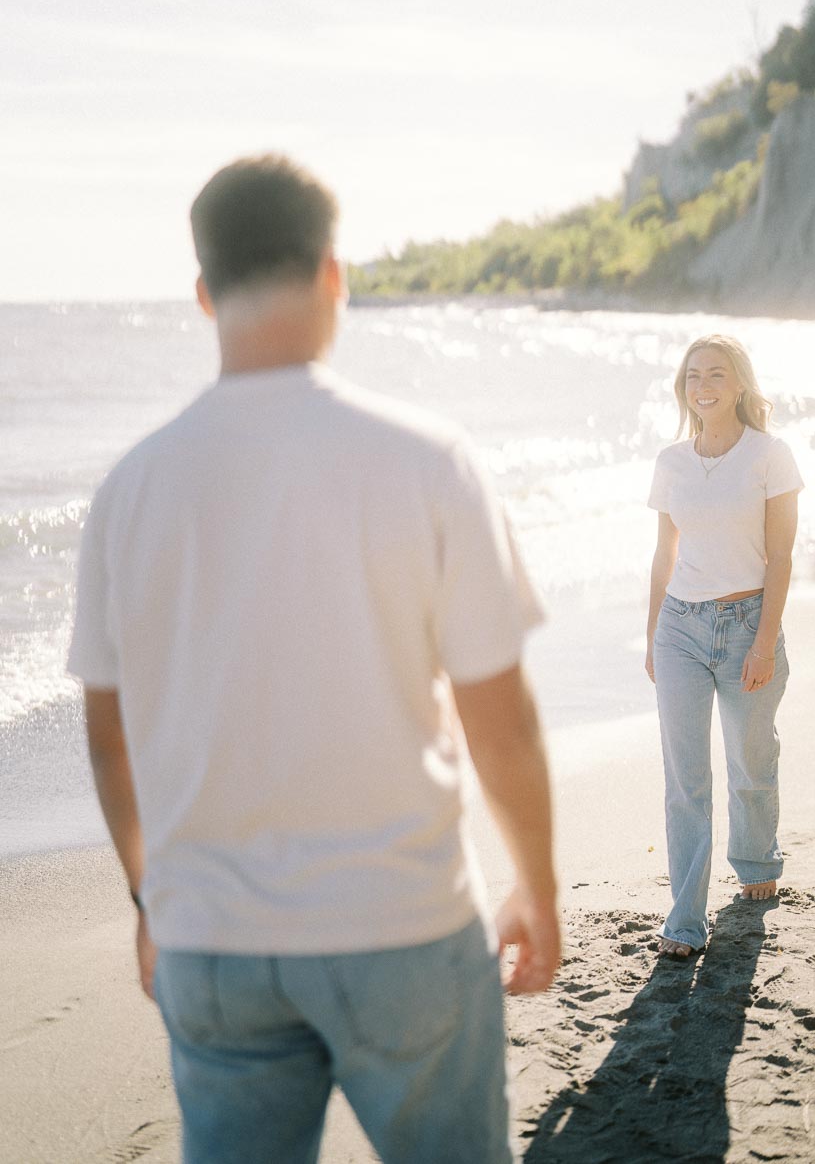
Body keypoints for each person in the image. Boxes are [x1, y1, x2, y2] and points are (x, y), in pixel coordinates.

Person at [68, 154, 560, 1163]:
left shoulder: (130, 490)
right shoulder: (427, 458)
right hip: (402, 926)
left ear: (203, 294)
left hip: (211, 943)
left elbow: (111, 743)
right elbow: (497, 716)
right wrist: (537, 887)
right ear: (336, 274)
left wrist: (149, 899)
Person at [645, 334, 803, 958]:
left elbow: (782, 554)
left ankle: (756, 857)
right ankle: (685, 918)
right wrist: (653, 634)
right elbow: (664, 554)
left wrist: (764, 642)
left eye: (715, 373)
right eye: (692, 376)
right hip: (680, 627)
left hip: (747, 624)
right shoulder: (671, 461)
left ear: (738, 383)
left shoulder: (771, 455)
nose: (702, 384)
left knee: (750, 760)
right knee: (685, 779)